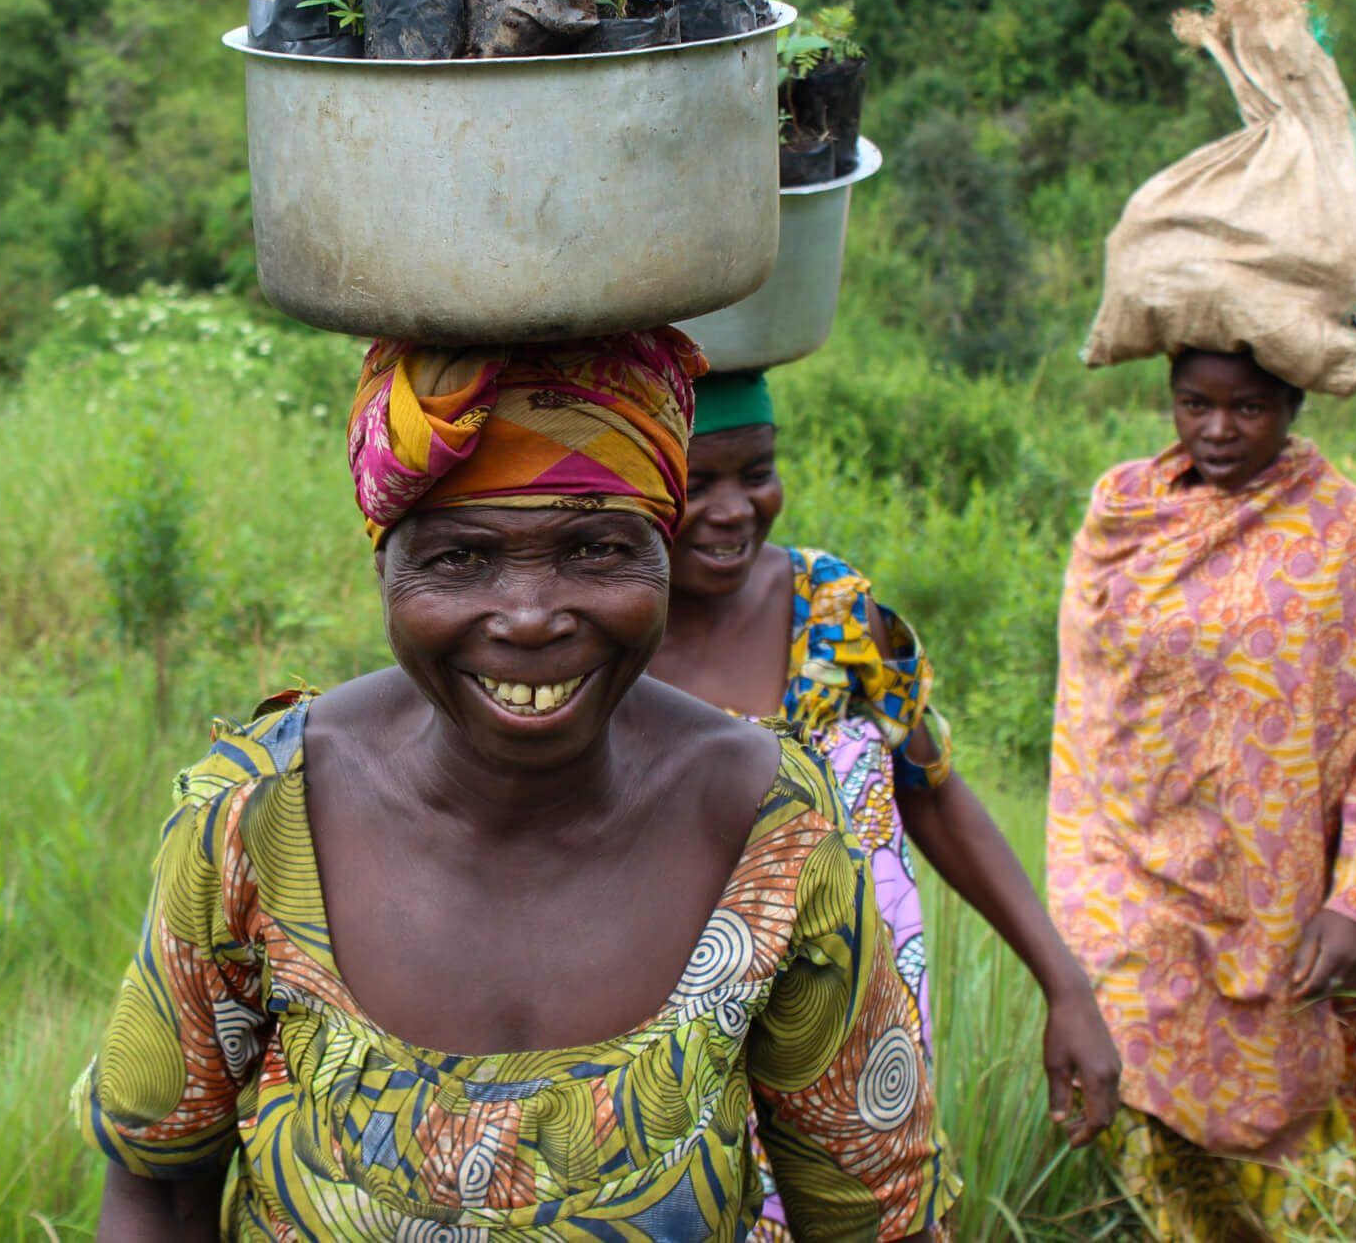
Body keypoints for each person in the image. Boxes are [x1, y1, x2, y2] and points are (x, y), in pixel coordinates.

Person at [76, 331, 958, 1240]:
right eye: (460, 558)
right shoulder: (259, 815)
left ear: (663, 552)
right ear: (384, 567)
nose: (530, 617)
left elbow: (876, 1219)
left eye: (597, 549)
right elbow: (158, 1188)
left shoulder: (772, 831)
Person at [645, 370, 1121, 1239]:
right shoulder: (602, 643)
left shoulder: (836, 612)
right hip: (676, 1068)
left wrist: (1066, 986)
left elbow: (933, 796)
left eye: (757, 473)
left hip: (862, 1052)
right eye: (696, 483)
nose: (734, 510)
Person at [1049, 347, 1356, 1240]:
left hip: (1280, 890)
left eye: (1248, 408)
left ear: (1293, 403)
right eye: (1195, 404)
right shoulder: (1128, 511)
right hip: (1130, 875)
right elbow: (1089, 702)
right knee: (1129, 1063)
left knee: (1285, 1124)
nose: (1217, 430)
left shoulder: (1355, 538)